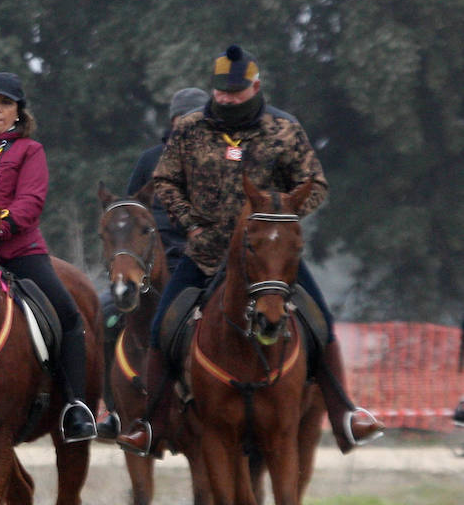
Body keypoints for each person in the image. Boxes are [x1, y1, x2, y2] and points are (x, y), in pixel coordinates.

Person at [116, 44, 384, 457]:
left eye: (235, 92)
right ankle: (150, 424)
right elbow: (165, 182)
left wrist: (282, 217)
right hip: (205, 252)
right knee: (161, 328)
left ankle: (346, 415)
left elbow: (315, 183)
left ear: (255, 86)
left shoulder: (285, 129)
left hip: (270, 256)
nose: (226, 98)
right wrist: (190, 223)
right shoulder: (189, 128)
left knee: (321, 322)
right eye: (221, 91)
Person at [0, 71, 96, 443]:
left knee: (69, 315)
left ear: (18, 113)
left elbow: (31, 201)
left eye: (6, 104)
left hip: (17, 252)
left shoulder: (30, 151)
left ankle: (76, 405)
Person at [95, 86, 209, 439]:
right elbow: (128, 209)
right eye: (181, 120)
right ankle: (114, 411)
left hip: (200, 260)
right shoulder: (149, 160)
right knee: (105, 315)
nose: (186, 127)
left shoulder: (217, 162)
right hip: (147, 262)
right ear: (172, 122)